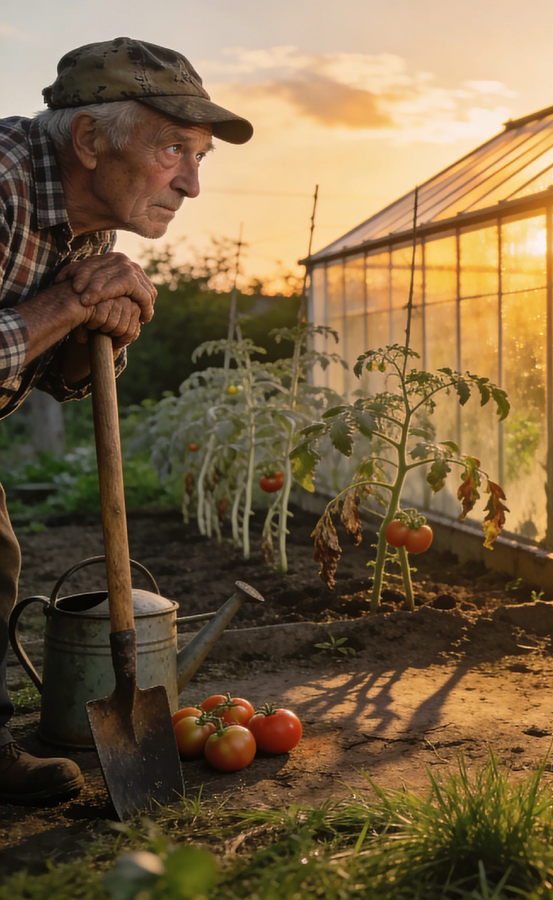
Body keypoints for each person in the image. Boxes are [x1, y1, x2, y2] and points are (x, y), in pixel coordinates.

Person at [0, 37, 252, 805]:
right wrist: (72, 304)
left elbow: (56, 378)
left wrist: (100, 335)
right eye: (175, 147)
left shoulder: (89, 225)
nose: (193, 183)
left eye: (201, 156)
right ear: (87, 140)